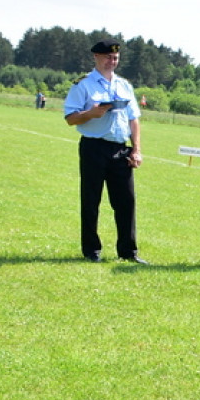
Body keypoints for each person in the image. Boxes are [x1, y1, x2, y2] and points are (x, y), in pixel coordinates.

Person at [63, 38, 146, 263]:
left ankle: (128, 252)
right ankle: (92, 250)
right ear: (96, 57)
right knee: (91, 200)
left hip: (120, 149)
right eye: (108, 57)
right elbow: (70, 118)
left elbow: (134, 120)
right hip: (94, 147)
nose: (112, 61)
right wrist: (90, 114)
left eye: (116, 58)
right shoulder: (83, 85)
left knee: (126, 201)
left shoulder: (124, 85)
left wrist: (136, 150)